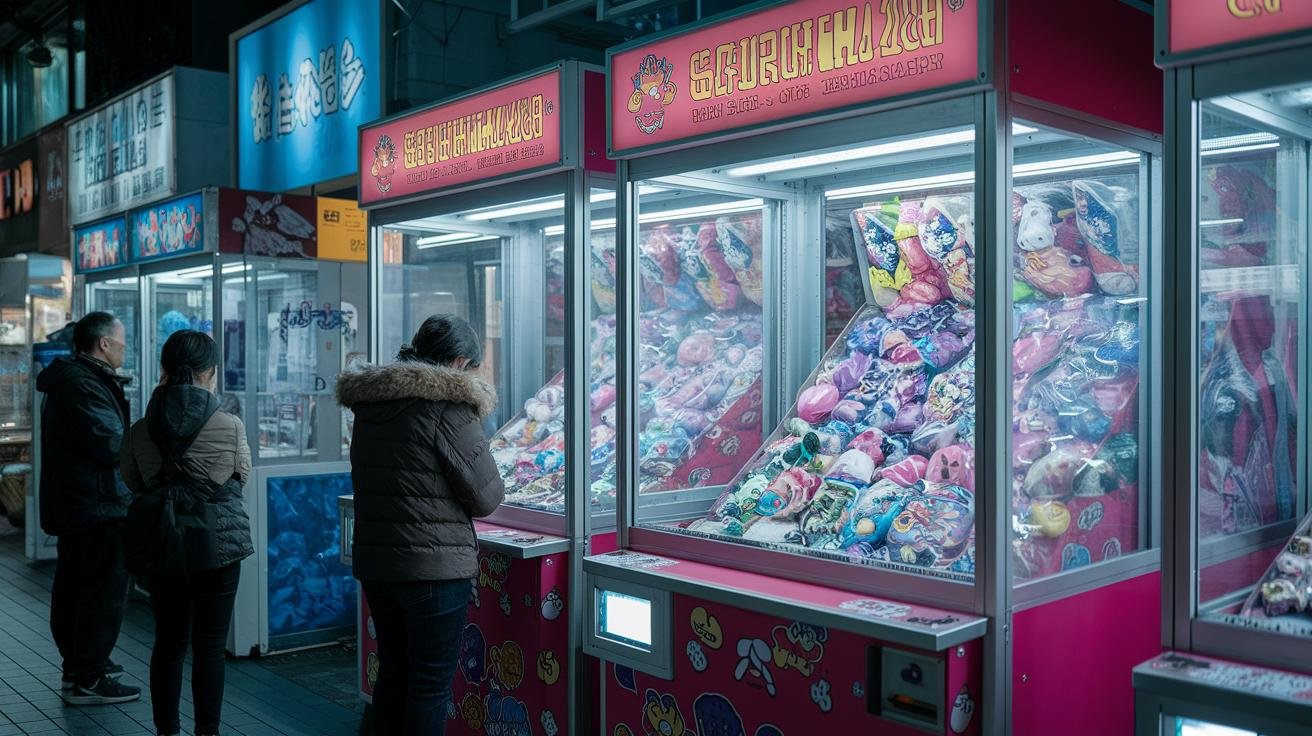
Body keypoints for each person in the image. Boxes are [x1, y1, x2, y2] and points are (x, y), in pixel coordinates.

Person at [336, 315, 504, 736]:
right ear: (460, 363)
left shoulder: (372, 405)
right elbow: (486, 497)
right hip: (433, 572)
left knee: (393, 674)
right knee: (429, 687)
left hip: (378, 564)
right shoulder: (448, 409)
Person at [120, 330, 254, 736]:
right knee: (209, 646)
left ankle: (167, 730)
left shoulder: (141, 428)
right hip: (218, 544)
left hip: (162, 541)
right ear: (210, 372)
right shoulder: (230, 425)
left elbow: (132, 480)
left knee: (168, 642)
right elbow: (242, 477)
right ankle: (207, 732)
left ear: (164, 369)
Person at [36, 311, 138, 704]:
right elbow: (111, 445)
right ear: (104, 344)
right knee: (101, 593)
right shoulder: (82, 385)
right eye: (122, 341)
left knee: (78, 587)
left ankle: (79, 668)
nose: (125, 348)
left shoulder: (77, 379)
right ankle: (88, 678)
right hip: (98, 505)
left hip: (81, 503)